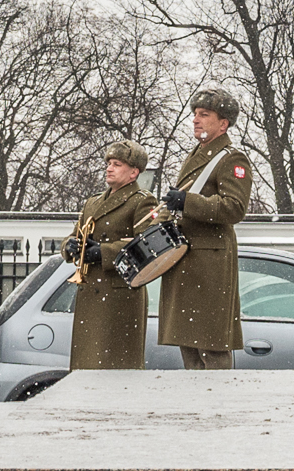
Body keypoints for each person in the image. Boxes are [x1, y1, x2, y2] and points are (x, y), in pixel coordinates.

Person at [152, 89, 253, 369]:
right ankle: (196, 407)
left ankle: (216, 409)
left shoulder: (231, 158)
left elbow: (234, 208)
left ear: (223, 123)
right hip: (188, 261)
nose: (195, 120)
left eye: (204, 115)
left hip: (209, 266)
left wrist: (188, 201)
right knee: (191, 350)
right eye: (195, 114)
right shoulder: (198, 155)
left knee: (212, 348)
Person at [62, 141, 152, 370]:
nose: (109, 169)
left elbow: (147, 246)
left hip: (119, 297)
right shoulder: (92, 203)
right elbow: (74, 235)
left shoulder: (142, 201)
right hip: (90, 293)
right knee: (87, 367)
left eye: (117, 164)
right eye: (109, 164)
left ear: (134, 172)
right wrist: (70, 247)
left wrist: (102, 252)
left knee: (116, 368)